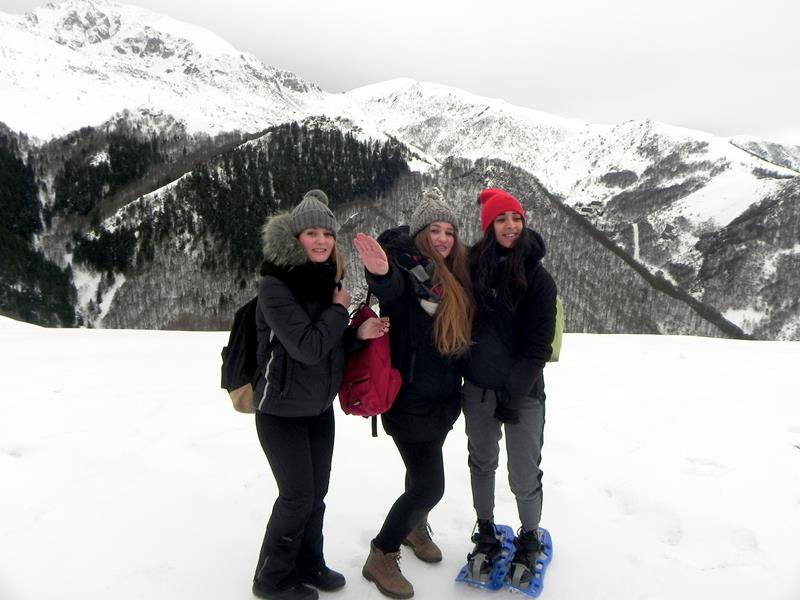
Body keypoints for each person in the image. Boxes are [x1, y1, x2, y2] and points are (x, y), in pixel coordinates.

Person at [252, 189, 388, 600]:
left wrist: (357, 336)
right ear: (296, 238)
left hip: (317, 408)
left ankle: (309, 563)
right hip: (280, 411)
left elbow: (327, 348)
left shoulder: (328, 283)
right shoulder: (275, 286)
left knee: (317, 496)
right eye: (311, 232)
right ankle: (271, 579)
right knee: (296, 497)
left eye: (327, 233)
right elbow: (308, 347)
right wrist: (339, 311)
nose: (321, 240)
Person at [352, 187, 474, 599]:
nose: (443, 238)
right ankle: (382, 553)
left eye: (449, 231)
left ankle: (414, 527)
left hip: (442, 401)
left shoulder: (453, 275)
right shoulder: (405, 271)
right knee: (429, 486)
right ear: (421, 234)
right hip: (408, 401)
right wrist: (379, 272)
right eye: (435, 230)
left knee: (420, 476)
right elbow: (389, 287)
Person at [461, 188, 557, 589]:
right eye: (501, 219)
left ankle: (529, 536)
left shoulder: (537, 278)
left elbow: (538, 348)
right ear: (489, 226)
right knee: (481, 463)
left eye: (516, 218)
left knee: (523, 473)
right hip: (479, 388)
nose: (511, 226)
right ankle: (485, 529)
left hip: (523, 394)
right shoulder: (471, 269)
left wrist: (513, 395)